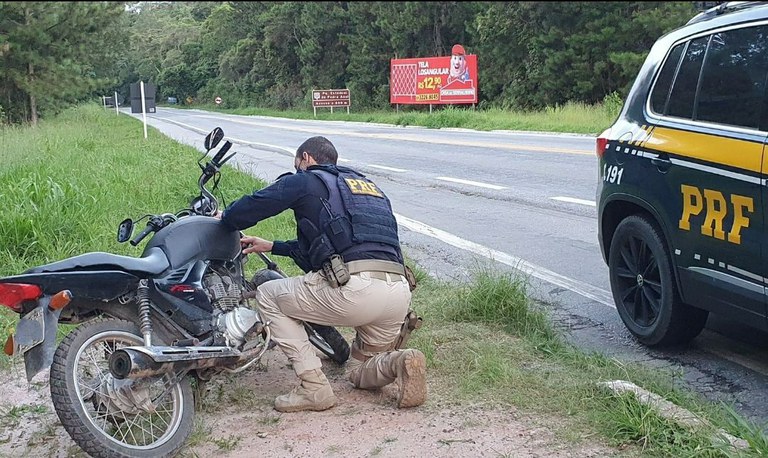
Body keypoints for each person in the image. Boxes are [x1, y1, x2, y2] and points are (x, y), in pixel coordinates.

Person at [218, 136, 427, 413]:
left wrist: (226, 217)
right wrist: (272, 246)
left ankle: (313, 388)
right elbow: (331, 248)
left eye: (297, 165)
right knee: (358, 369)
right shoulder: (368, 188)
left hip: (356, 292)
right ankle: (399, 362)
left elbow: (253, 206)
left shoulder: (305, 179)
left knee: (268, 295)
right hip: (398, 295)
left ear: (306, 158)